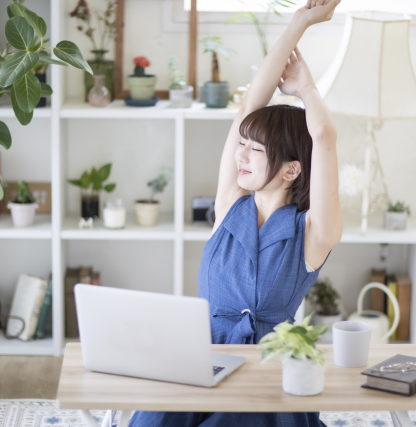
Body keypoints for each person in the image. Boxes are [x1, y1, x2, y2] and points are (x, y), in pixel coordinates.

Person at [129, 0, 342, 425]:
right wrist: (299, 22)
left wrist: (307, 89)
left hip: (268, 372)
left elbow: (324, 137)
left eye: (255, 150)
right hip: (199, 359)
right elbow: (247, 110)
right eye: (241, 145)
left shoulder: (313, 233)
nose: (240, 156)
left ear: (291, 168)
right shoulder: (230, 204)